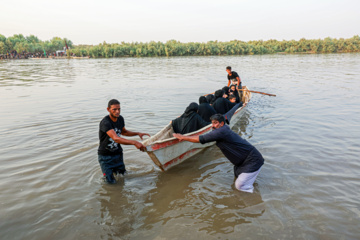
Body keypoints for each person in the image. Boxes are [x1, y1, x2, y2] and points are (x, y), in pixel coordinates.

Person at [173, 114, 264, 193]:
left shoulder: (222, 131)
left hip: (252, 160)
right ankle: (247, 193)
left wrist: (182, 137)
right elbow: (202, 137)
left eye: (215, 123)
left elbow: (200, 139)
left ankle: (252, 205)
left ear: (222, 123)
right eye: (212, 123)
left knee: (240, 185)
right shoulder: (222, 130)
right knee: (238, 180)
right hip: (242, 162)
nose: (213, 125)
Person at [98, 99, 150, 184]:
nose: (117, 111)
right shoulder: (105, 122)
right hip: (105, 157)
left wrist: (137, 133)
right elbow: (116, 138)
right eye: (114, 109)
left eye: (119, 109)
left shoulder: (120, 119)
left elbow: (124, 132)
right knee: (110, 182)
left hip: (118, 154)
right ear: (108, 109)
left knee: (123, 177)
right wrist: (135, 142)